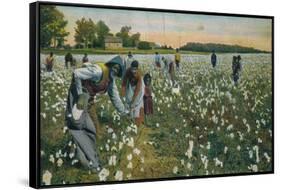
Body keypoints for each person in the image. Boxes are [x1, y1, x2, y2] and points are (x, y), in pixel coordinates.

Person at [65, 55, 128, 171]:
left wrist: (123, 112)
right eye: (115, 67)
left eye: (118, 70)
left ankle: (88, 156)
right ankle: (83, 160)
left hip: (88, 100)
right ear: (111, 64)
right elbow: (77, 73)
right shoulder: (98, 71)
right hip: (78, 97)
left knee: (94, 128)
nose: (115, 70)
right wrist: (79, 96)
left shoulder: (110, 80)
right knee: (78, 127)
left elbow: (115, 97)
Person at [121, 60, 145, 126]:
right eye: (132, 69)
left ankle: (140, 120)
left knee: (137, 103)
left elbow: (137, 90)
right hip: (131, 85)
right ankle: (129, 118)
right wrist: (123, 96)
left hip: (139, 87)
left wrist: (133, 102)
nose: (134, 72)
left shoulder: (139, 75)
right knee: (128, 100)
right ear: (130, 68)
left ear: (137, 69)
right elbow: (124, 84)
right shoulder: (128, 72)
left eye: (135, 70)